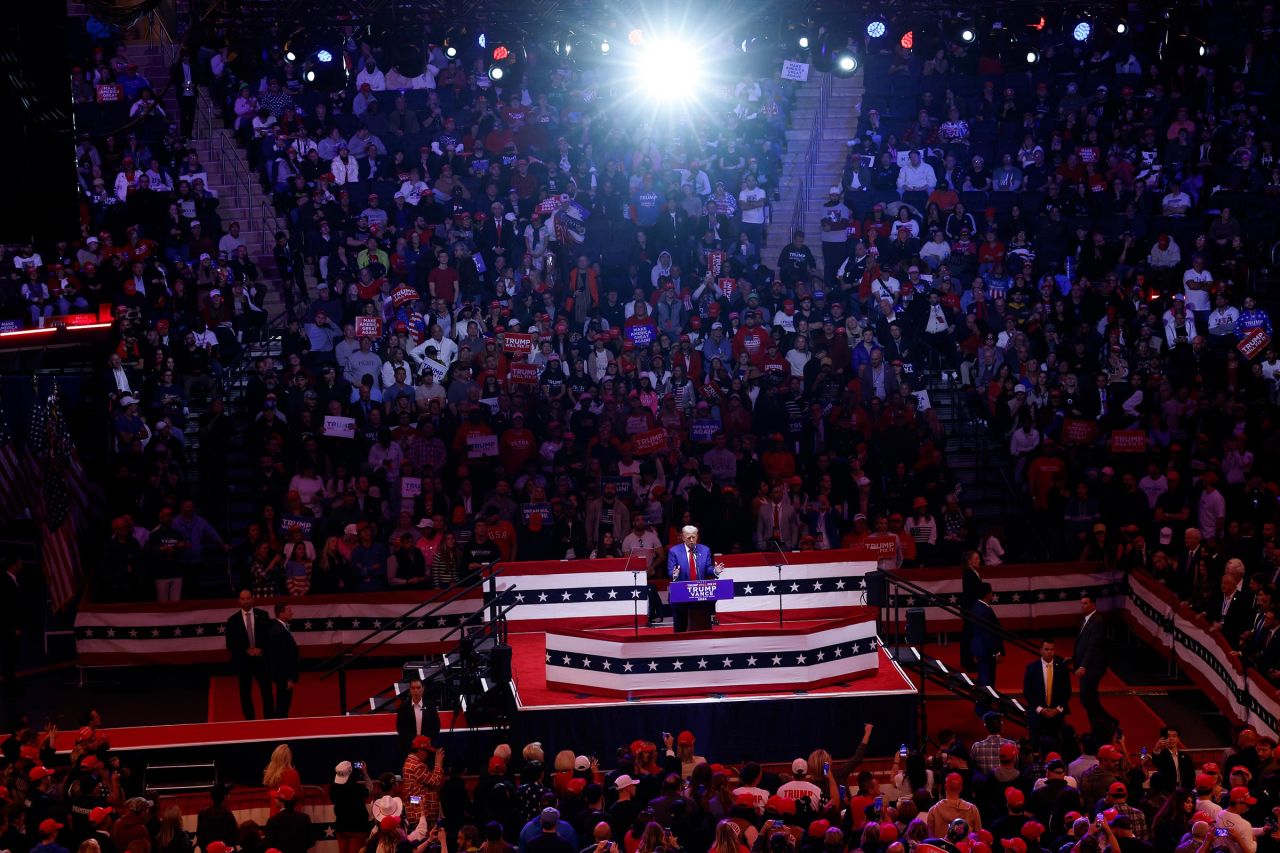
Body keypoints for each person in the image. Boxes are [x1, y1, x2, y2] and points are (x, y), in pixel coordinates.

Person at [225, 589, 274, 719]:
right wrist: (245, 650)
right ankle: (250, 722)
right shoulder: (232, 620)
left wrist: (260, 648)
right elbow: (230, 643)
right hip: (243, 661)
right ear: (239, 601)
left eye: (248, 598)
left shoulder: (263, 615)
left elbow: (269, 637)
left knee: (266, 691)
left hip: (261, 659)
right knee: (245, 693)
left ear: (252, 599)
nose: (246, 601)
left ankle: (270, 720)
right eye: (243, 598)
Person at [1071, 593, 1114, 731]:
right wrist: (1073, 659)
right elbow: (1082, 644)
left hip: (1092, 668)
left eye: (1085, 603)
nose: (1082, 606)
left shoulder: (1097, 621)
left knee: (1086, 699)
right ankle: (1099, 726)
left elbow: (1093, 646)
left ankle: (1109, 721)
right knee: (1090, 699)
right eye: (1081, 603)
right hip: (1087, 666)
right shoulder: (1087, 620)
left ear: (1093, 604)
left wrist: (1083, 665)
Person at [666, 525, 721, 633]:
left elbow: (708, 568)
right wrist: (675, 574)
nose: (691, 540)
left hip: (700, 594)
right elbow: (670, 571)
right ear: (683, 537)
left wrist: (715, 571)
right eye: (688, 538)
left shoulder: (705, 550)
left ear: (697, 537)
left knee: (701, 626)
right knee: (680, 630)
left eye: (694, 537)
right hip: (681, 594)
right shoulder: (674, 551)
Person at [1023, 639, 1071, 748]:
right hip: (1038, 712)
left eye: (1052, 649)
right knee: (1035, 743)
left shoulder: (1062, 668)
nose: (1049, 652)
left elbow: (1067, 692)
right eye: (1046, 649)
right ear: (1040, 650)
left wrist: (1057, 710)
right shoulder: (1032, 668)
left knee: (1058, 744)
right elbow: (1027, 692)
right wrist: (1040, 709)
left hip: (1056, 713)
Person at [969, 582, 1004, 714]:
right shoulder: (985, 610)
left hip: (980, 648)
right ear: (988, 594)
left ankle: (983, 706)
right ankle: (983, 708)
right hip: (986, 650)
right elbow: (989, 633)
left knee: (984, 679)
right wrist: (996, 652)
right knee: (986, 680)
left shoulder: (977, 607)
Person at [268, 602, 300, 718]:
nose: (292, 612)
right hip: (283, 676)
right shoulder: (278, 631)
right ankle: (279, 727)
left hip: (283, 675)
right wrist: (288, 678)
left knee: (284, 704)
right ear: (281, 613)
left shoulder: (281, 627)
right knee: (283, 705)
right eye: (289, 610)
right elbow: (281, 658)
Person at [396, 676, 441, 754]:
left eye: (418, 687)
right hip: (409, 748)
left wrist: (426, 740)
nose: (416, 690)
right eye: (413, 688)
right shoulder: (403, 707)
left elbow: (436, 726)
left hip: (427, 748)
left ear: (423, 689)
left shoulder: (431, 706)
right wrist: (415, 739)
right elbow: (400, 728)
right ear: (410, 690)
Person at [265, 785, 313, 853]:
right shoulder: (305, 818)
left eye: (276, 797)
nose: (274, 799)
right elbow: (311, 842)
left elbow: (269, 845)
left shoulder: (273, 821)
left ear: (282, 801)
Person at [1, 554, 22, 695]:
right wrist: (14, 627)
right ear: (12, 565)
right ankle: (9, 685)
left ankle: (12, 681)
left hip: (13, 626)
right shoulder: (5, 581)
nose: (21, 566)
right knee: (9, 654)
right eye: (19, 563)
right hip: (9, 627)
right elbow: (7, 608)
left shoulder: (12, 581)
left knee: (13, 654)